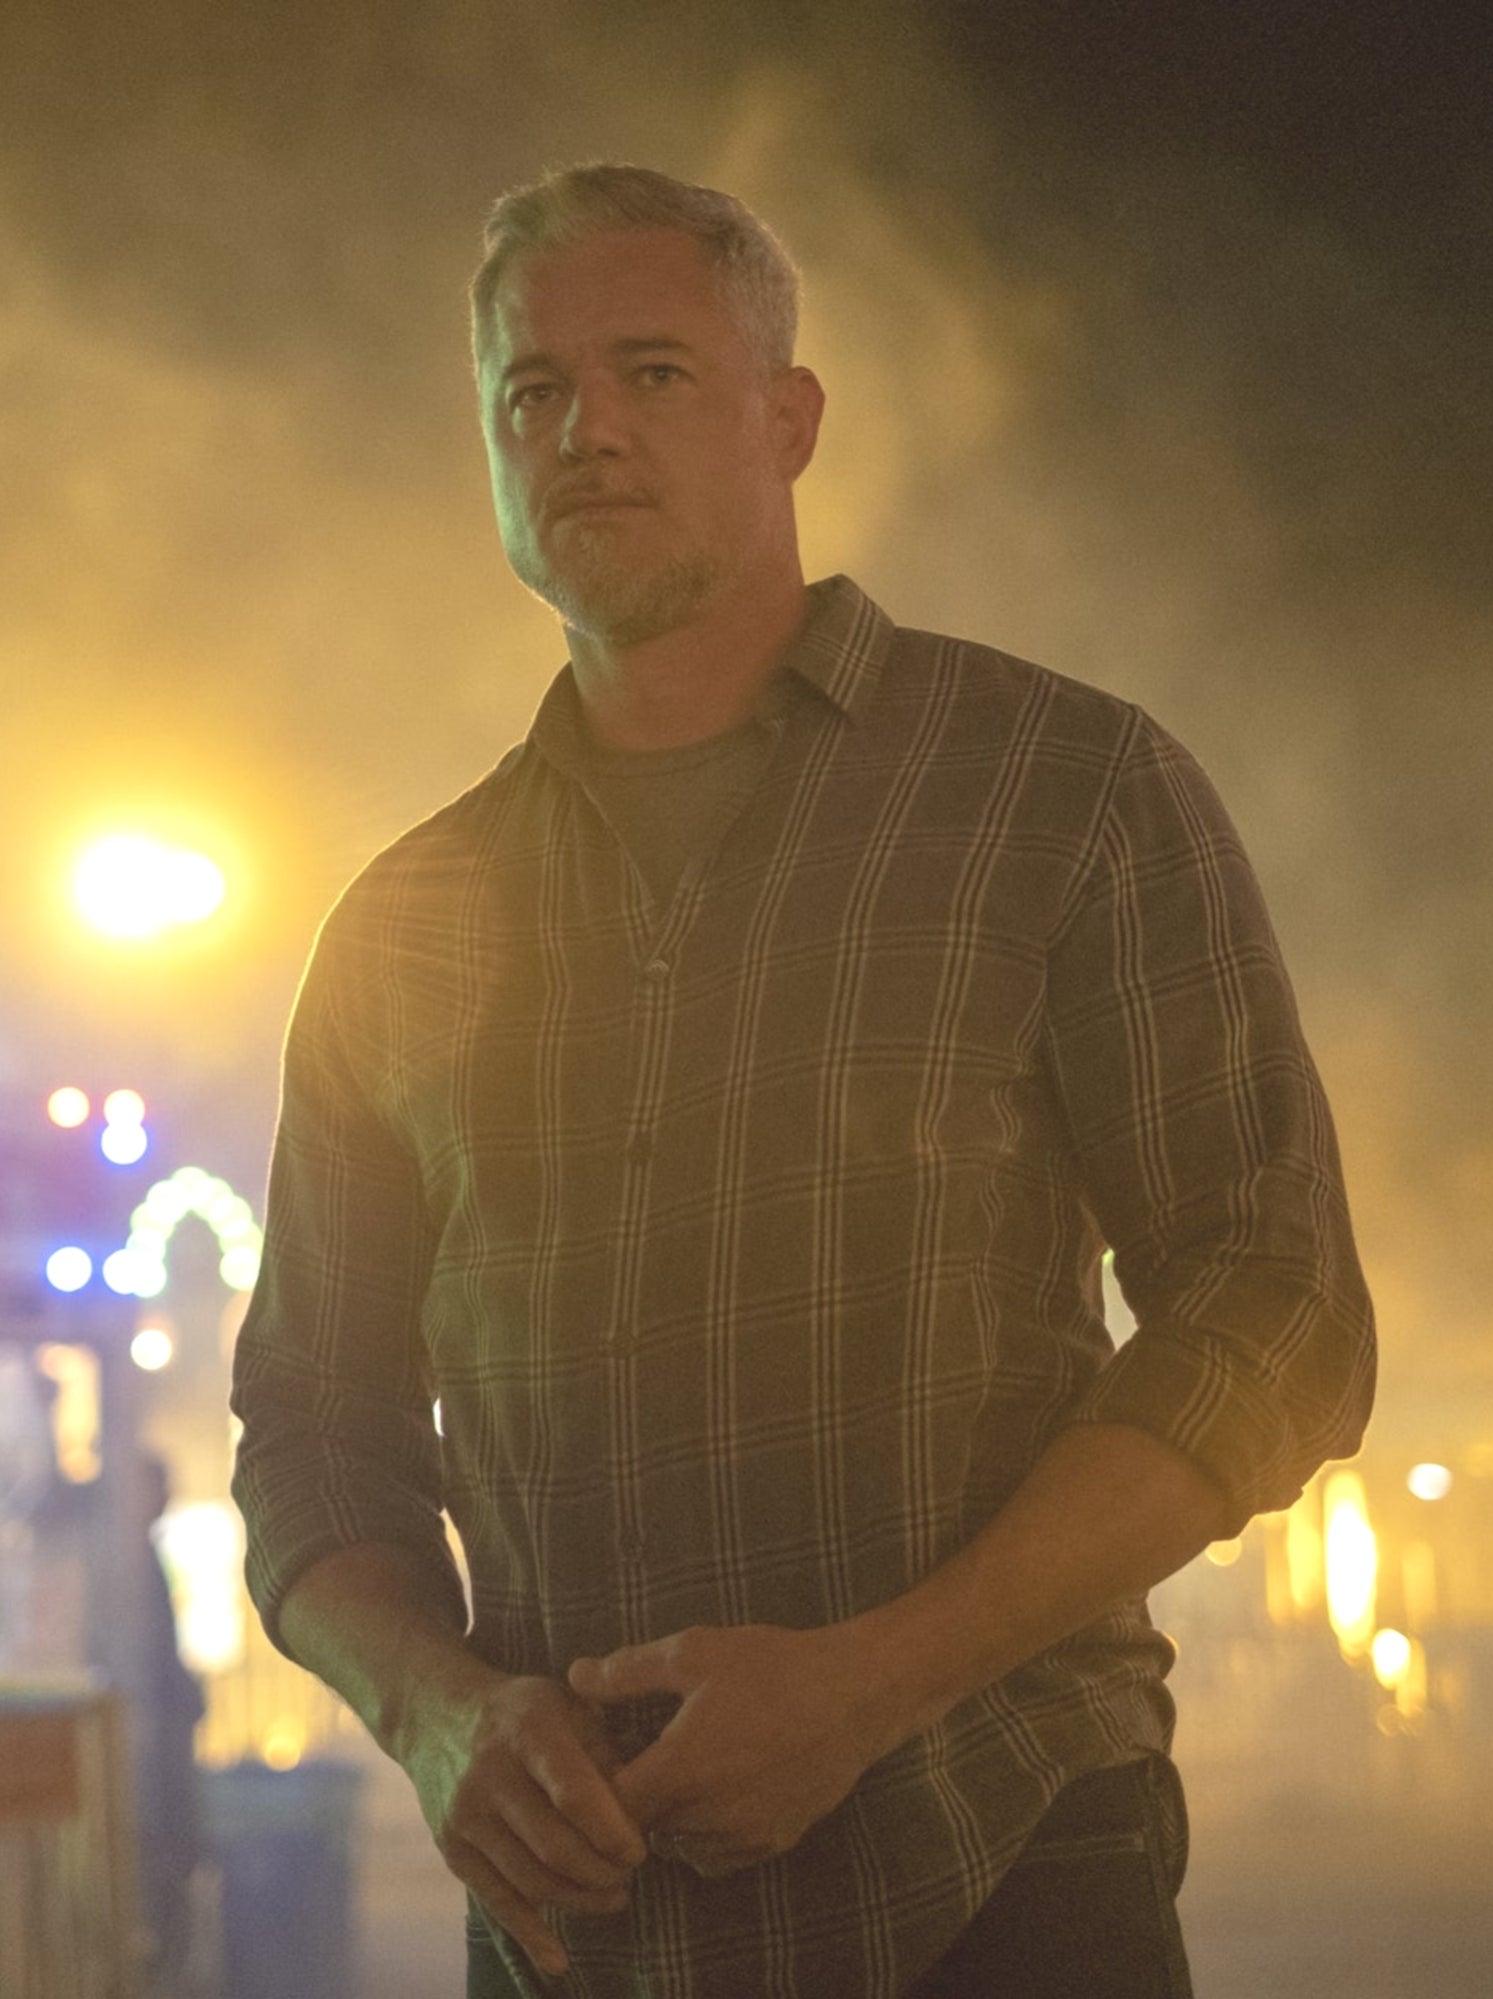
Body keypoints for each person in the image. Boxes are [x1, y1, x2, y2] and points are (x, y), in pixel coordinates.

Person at [230, 164, 1375, 1998]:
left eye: (653, 371)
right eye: (533, 391)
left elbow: (1277, 1306)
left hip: (1001, 1867)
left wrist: (872, 1684)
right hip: (581, 1927)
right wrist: (437, 1713)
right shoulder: (405, 919)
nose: (586, 429)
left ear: (790, 419)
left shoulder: (1056, 792)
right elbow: (308, 1422)